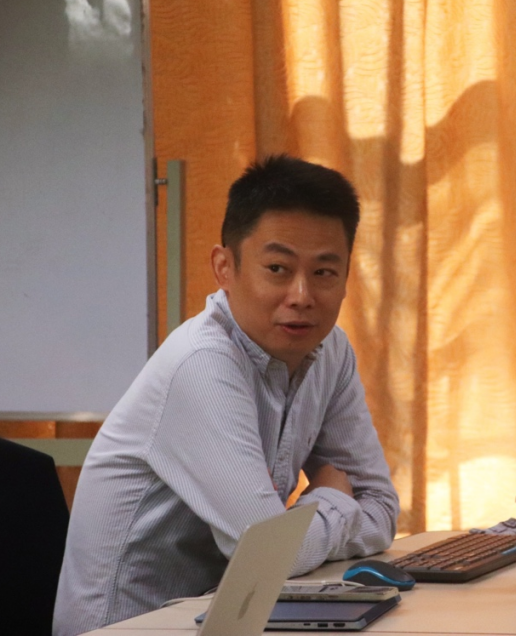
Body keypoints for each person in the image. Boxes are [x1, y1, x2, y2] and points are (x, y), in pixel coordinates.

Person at [53, 156, 399, 636]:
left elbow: (381, 507)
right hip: (132, 629)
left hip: (233, 620)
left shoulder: (330, 351)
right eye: (277, 268)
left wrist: (302, 529)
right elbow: (269, 555)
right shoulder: (201, 364)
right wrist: (330, 498)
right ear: (224, 268)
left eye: (324, 272)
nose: (302, 295)